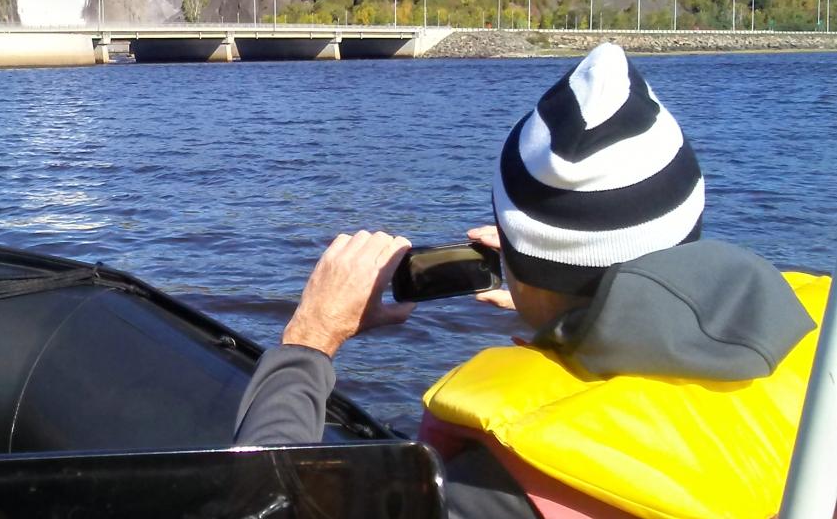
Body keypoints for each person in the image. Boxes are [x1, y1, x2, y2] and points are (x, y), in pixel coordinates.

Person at [233, 43, 826, 518]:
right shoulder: (818, 340)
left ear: (516, 255)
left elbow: (258, 509)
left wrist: (309, 340)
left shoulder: (497, 492)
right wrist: (569, 321)